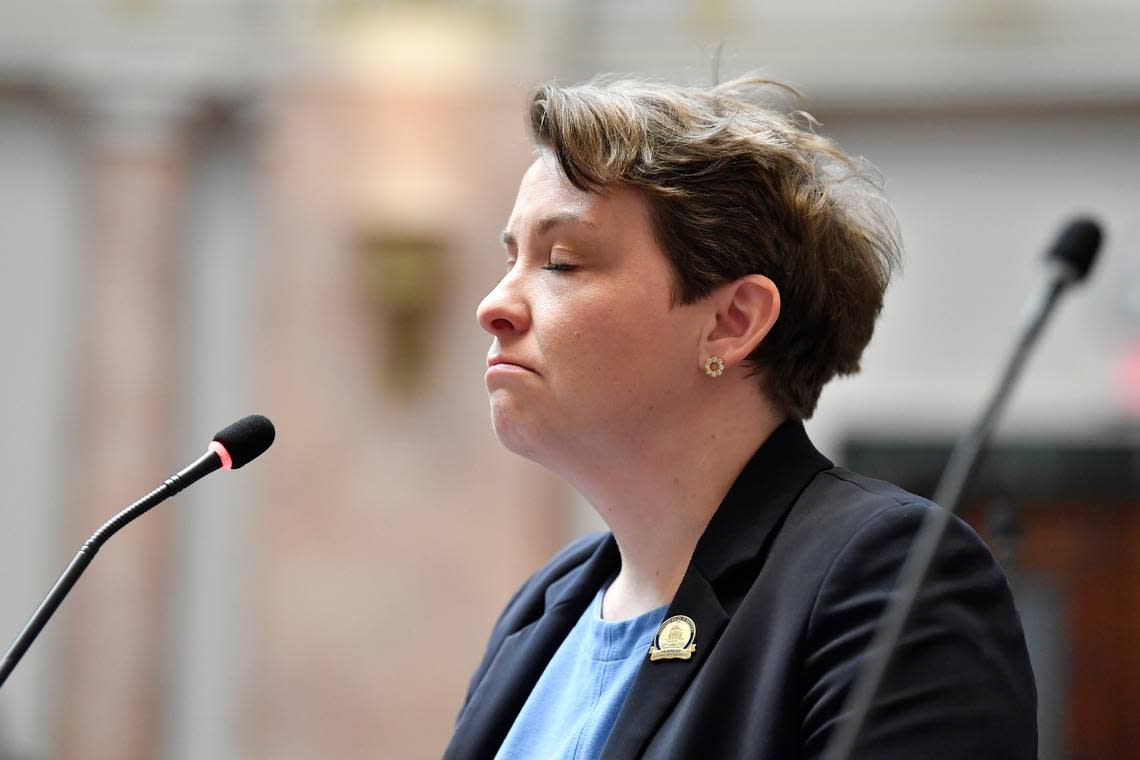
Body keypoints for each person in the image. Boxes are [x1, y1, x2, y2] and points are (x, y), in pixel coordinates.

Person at [444, 76, 1037, 759]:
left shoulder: (886, 578)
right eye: (509, 258)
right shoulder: (543, 609)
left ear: (731, 322)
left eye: (562, 261)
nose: (494, 304)